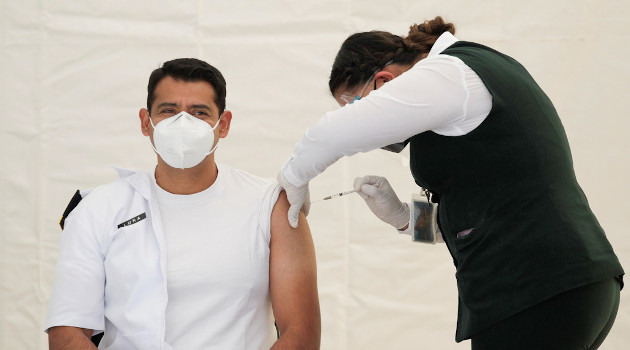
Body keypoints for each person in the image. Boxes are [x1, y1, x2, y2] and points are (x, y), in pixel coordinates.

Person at [277, 16, 624, 349]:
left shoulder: (446, 73)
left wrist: (293, 177)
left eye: (353, 103)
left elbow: (334, 133)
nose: (354, 113)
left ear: (383, 82)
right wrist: (405, 219)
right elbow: (479, 214)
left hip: (538, 289)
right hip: (573, 287)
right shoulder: (473, 74)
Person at [46, 58, 320, 349]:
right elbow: (68, 333)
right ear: (145, 122)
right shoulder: (97, 209)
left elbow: (300, 332)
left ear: (223, 124)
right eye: (168, 110)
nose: (182, 122)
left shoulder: (271, 205)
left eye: (199, 112)